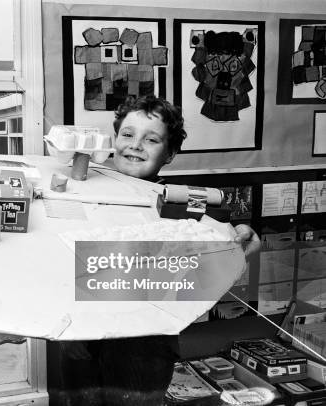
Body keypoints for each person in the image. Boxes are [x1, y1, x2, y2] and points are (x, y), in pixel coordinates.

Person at [58, 95, 259, 405]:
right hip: (80, 330)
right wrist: (71, 322)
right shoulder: (86, 188)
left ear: (170, 153)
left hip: (145, 341)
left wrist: (242, 237)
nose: (135, 145)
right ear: (114, 140)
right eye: (127, 135)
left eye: (151, 139)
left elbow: (225, 228)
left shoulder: (179, 198)